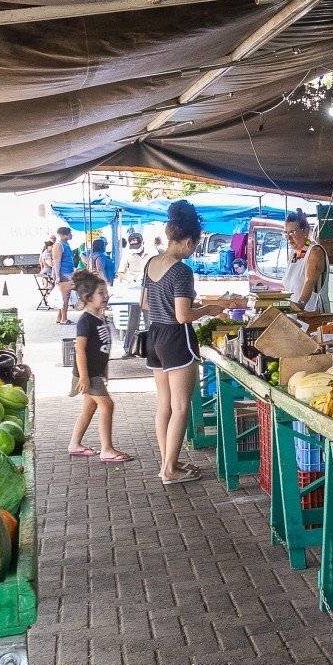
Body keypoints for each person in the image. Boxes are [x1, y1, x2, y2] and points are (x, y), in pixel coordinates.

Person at [142, 200, 207, 485]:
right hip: (176, 339)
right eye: (195, 245)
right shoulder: (181, 271)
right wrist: (212, 309)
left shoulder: (151, 262)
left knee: (164, 404)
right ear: (189, 240)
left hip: (154, 335)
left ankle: (169, 460)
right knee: (181, 406)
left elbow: (146, 303)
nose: (194, 251)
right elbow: (183, 316)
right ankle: (169, 470)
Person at [67, 270, 129, 463]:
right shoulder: (86, 321)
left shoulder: (100, 317)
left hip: (95, 372)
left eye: (105, 292)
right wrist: (85, 376)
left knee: (90, 407)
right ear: (87, 297)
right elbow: (80, 350)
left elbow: (101, 349)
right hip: (88, 374)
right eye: (100, 293)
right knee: (107, 405)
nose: (105, 296)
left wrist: (104, 372)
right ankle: (107, 449)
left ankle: (74, 444)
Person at [287, 213, 328, 313]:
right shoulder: (293, 253)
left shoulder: (315, 251)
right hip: (295, 313)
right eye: (285, 233)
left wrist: (300, 305)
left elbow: (309, 281)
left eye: (292, 233)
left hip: (312, 313)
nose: (288, 238)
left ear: (305, 231)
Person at [50, 226, 78, 324]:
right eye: (70, 233)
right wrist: (57, 277)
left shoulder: (66, 244)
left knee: (64, 295)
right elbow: (57, 262)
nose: (71, 235)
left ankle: (59, 317)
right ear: (63, 235)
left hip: (68, 272)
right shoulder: (58, 245)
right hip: (63, 273)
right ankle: (64, 319)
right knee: (65, 296)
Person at [37, 236, 58, 310]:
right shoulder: (47, 254)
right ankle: (46, 299)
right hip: (47, 272)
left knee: (46, 285)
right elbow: (51, 264)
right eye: (52, 246)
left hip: (47, 272)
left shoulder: (48, 253)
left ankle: (46, 299)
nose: (53, 247)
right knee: (47, 285)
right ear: (48, 247)